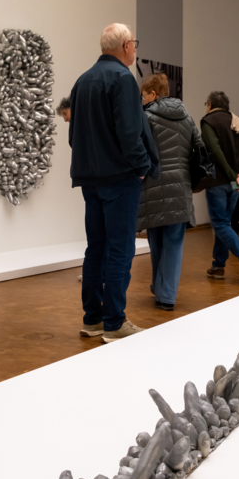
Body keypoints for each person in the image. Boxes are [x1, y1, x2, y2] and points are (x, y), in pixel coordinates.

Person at [69, 23, 160, 342]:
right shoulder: (122, 78)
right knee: (121, 248)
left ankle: (92, 319)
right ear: (125, 46)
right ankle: (114, 322)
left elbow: (74, 136)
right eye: (134, 43)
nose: (135, 48)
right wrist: (142, 166)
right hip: (119, 178)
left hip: (89, 178)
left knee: (96, 247)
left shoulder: (82, 81)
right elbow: (129, 133)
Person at [137, 74, 198, 311]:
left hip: (154, 187)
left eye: (144, 96)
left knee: (156, 243)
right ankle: (166, 295)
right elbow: (198, 151)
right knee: (174, 244)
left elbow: (141, 150)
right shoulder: (188, 118)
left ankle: (159, 289)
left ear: (153, 94)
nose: (143, 100)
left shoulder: (147, 117)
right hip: (181, 189)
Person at [200, 91, 239, 283]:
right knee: (224, 224)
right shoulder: (236, 120)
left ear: (210, 104)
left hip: (218, 181)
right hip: (235, 182)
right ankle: (218, 266)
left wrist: (230, 174)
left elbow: (214, 150)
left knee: (220, 224)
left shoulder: (208, 121)